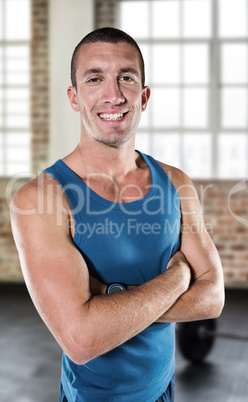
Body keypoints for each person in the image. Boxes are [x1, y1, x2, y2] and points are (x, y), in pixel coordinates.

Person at [10, 27, 224, 402]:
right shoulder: (41, 199)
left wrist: (111, 304)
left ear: (144, 96)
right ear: (74, 98)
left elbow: (213, 298)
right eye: (95, 79)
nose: (113, 95)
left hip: (163, 390)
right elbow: (81, 339)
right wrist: (178, 276)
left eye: (126, 77)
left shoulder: (176, 183)